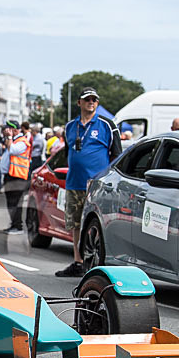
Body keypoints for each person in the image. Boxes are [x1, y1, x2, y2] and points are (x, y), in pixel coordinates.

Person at [56, 87, 122, 277]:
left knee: (97, 223)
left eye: (94, 100)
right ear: (79, 103)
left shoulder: (107, 125)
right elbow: (69, 154)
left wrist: (109, 180)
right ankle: (77, 261)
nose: (91, 102)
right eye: (87, 100)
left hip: (98, 186)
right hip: (75, 183)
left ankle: (96, 262)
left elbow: (116, 156)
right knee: (75, 224)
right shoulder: (70, 126)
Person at [0, 120, 31, 234]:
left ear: (14, 130)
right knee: (10, 202)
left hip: (17, 176)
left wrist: (8, 137)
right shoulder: (14, 140)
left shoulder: (22, 142)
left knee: (15, 202)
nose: (5, 131)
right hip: (11, 176)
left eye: (7, 129)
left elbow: (12, 151)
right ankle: (14, 224)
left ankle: (18, 226)